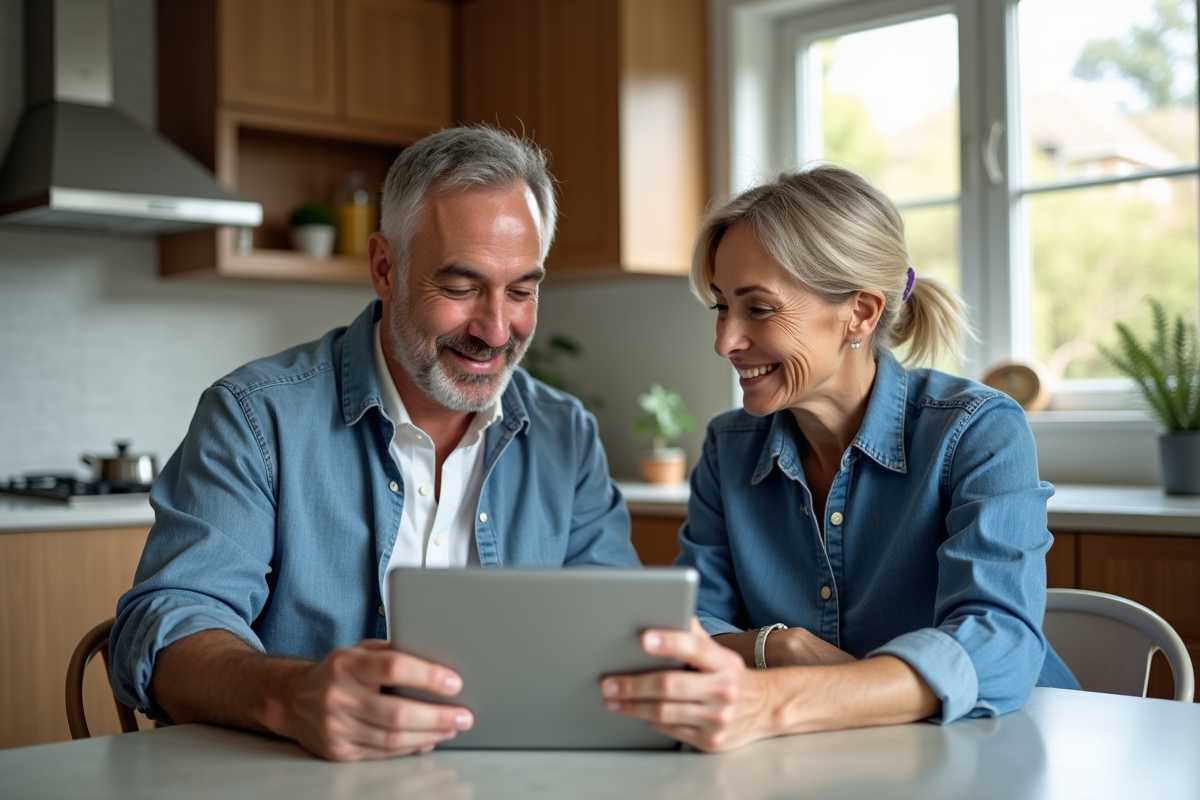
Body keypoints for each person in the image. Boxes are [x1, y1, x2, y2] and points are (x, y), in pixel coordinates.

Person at [110, 126, 639, 761]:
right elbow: (170, 622)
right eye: (462, 287)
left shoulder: (567, 434)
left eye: (522, 290)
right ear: (385, 268)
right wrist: (294, 696)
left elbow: (611, 636)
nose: (496, 329)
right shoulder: (255, 418)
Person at [600, 165, 1079, 751]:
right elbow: (693, 629)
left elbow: (998, 641)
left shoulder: (978, 431)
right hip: (819, 760)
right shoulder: (729, 450)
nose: (724, 341)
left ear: (861, 312)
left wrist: (779, 698)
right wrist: (777, 645)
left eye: (759, 308)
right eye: (721, 308)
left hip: (995, 753)